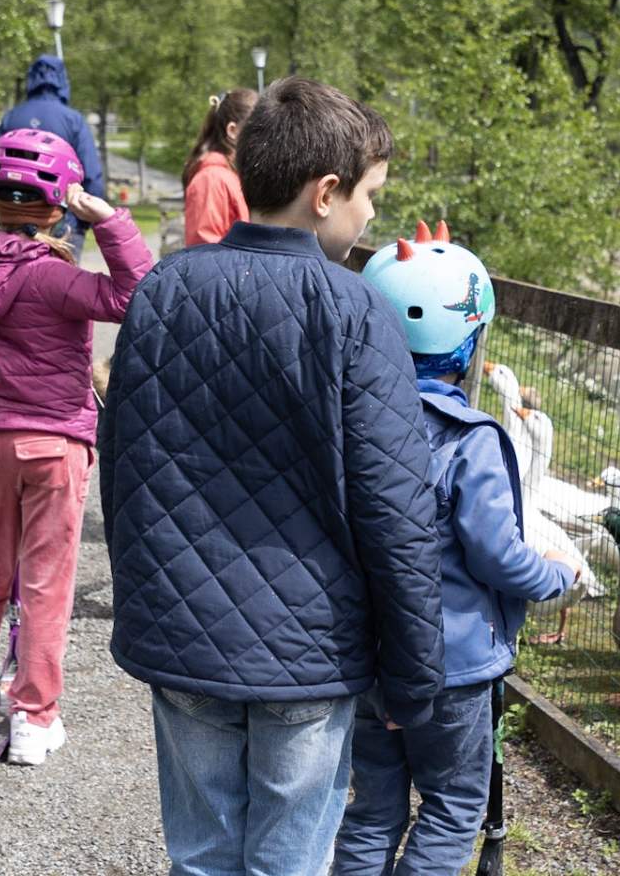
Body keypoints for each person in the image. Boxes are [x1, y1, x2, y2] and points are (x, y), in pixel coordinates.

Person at [99, 77, 445, 876]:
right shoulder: (355, 313)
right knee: (289, 861)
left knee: (202, 856)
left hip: (184, 628)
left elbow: (122, 469)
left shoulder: (164, 290)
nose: (371, 217)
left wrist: (147, 602)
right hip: (310, 649)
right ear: (324, 193)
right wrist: (413, 677)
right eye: (368, 196)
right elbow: (396, 513)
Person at [333, 225, 582, 876]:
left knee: (372, 809)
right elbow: (497, 556)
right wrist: (556, 577)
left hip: (364, 655)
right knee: (451, 807)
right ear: (469, 343)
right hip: (454, 665)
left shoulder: (345, 419)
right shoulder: (470, 440)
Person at [0, 128, 153, 764]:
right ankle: (32, 717)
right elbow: (138, 295)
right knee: (46, 583)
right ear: (59, 205)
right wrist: (110, 221)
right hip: (54, 443)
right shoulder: (54, 277)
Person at [0, 55, 108, 247]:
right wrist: (84, 221)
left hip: (11, 218)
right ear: (62, 80)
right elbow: (90, 173)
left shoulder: (11, 117)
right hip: (60, 220)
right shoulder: (72, 120)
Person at [181, 89, 255, 246]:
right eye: (256, 129)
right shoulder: (211, 180)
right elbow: (204, 248)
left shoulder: (232, 174)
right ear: (233, 130)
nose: (263, 137)